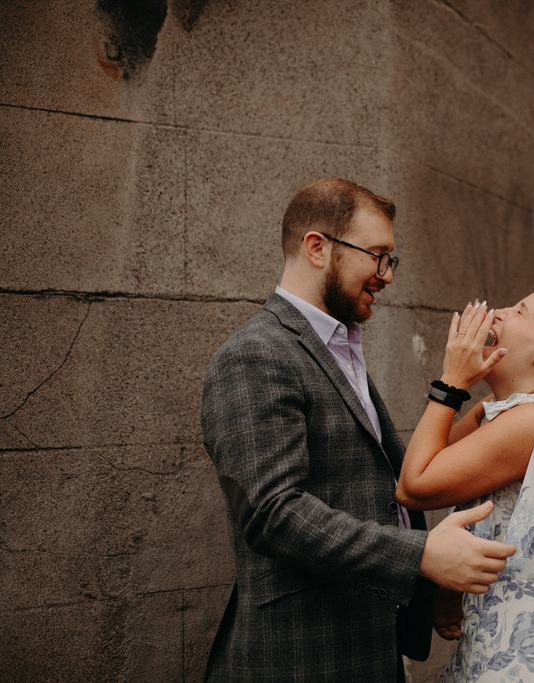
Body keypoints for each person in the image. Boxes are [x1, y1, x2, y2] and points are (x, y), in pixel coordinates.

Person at [200, 177, 516, 682]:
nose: (386, 274)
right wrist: (420, 558)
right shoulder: (254, 355)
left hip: (367, 649)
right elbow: (271, 513)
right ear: (318, 249)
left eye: (391, 259)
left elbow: (383, 488)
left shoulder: (338, 348)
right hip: (301, 657)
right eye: (377, 255)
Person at [396, 283, 534, 682]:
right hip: (508, 641)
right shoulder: (510, 413)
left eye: (520, 310)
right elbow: (435, 463)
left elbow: (413, 487)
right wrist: (449, 590)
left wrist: (451, 381)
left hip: (520, 657)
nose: (498, 311)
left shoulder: (532, 421)